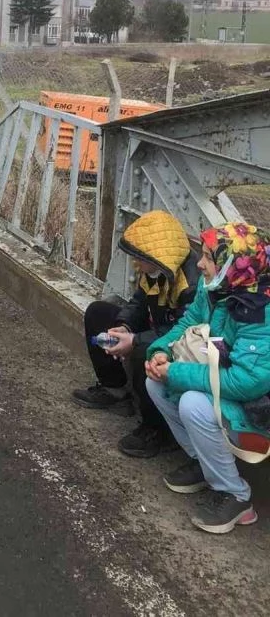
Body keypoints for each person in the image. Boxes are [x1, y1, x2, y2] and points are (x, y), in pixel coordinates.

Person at [146, 222, 270, 534]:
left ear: (233, 265)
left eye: (208, 258)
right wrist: (161, 351)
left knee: (192, 402)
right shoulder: (218, 285)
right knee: (155, 382)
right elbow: (190, 320)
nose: (199, 264)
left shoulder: (260, 311)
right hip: (227, 383)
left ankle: (237, 495)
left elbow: (247, 382)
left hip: (258, 406)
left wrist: (177, 372)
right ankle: (204, 463)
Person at [72, 210, 200, 457]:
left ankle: (158, 430)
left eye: (138, 257)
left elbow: (184, 333)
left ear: (156, 254)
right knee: (98, 313)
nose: (135, 263)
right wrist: (124, 327)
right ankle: (114, 390)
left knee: (147, 353)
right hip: (158, 327)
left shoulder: (190, 285)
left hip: (181, 342)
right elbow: (139, 303)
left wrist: (135, 341)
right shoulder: (157, 268)